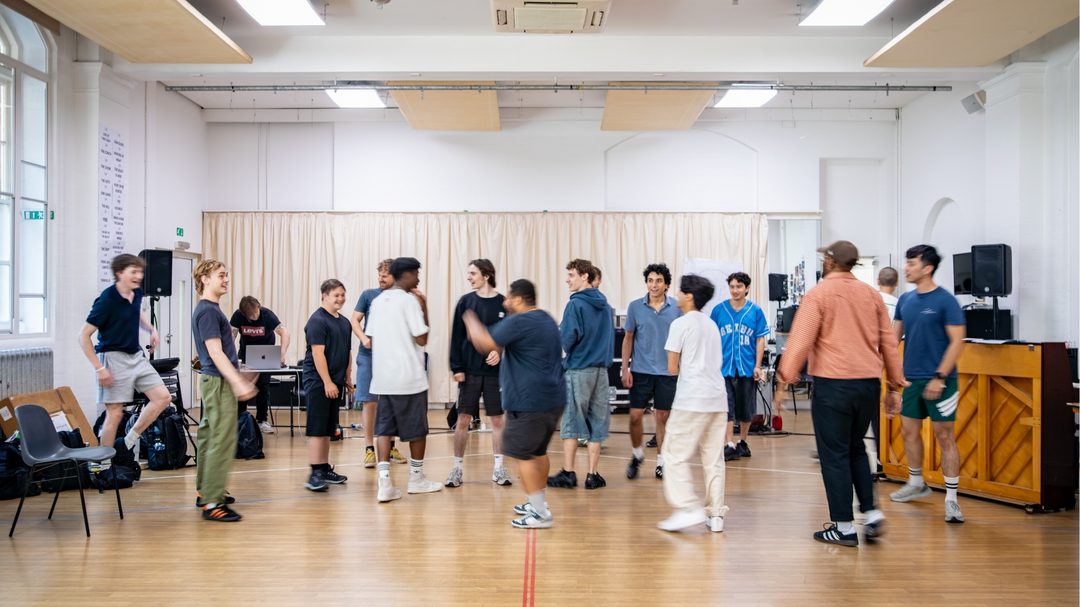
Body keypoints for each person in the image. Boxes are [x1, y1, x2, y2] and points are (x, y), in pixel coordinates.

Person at [778, 240, 905, 547]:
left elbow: (800, 341)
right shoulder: (871, 295)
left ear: (832, 262)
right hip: (867, 385)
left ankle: (844, 527)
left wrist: (785, 378)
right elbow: (889, 343)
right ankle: (871, 513)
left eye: (825, 257)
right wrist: (894, 385)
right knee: (856, 448)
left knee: (834, 454)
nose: (823, 261)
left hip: (834, 385)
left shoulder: (818, 294)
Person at [462, 279, 566, 528]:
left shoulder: (520, 321)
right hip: (552, 400)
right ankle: (537, 502)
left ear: (519, 299)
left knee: (524, 456)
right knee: (538, 452)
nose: (505, 302)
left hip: (529, 402)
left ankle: (540, 514)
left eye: (509, 298)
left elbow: (484, 342)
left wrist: (469, 318)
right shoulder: (545, 318)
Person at [889, 245, 967, 523]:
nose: (906, 268)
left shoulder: (946, 301)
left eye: (912, 263)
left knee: (945, 437)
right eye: (907, 263)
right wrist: (892, 377)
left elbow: (957, 342)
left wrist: (939, 377)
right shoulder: (905, 300)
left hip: (942, 382)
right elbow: (893, 339)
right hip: (911, 380)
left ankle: (952, 500)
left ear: (927, 268)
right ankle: (916, 483)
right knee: (909, 432)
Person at [78, 254, 173, 470]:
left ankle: (129, 440)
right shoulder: (107, 300)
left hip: (136, 356)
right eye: (134, 272)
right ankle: (103, 465)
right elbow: (83, 336)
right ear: (119, 273)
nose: (139, 276)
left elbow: (136, 313)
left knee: (163, 397)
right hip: (112, 358)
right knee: (115, 413)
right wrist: (99, 368)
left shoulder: (136, 293)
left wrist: (151, 329)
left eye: (140, 272)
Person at [367, 257, 443, 502]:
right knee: (417, 430)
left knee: (383, 430)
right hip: (409, 377)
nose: (418, 279)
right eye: (416, 274)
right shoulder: (410, 301)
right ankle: (416, 479)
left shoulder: (378, 301)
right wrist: (424, 305)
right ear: (407, 275)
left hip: (383, 378)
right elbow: (422, 339)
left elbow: (372, 339)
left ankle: (384, 484)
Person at [658, 274, 730, 533]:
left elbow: (672, 367)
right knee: (713, 459)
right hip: (717, 399)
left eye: (680, 291)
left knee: (673, 454)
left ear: (689, 296)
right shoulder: (711, 325)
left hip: (692, 399)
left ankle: (687, 507)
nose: (676, 295)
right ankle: (716, 515)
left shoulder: (680, 324)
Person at [191, 259, 257, 522]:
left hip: (213, 381)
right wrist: (237, 381)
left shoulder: (209, 309)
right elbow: (215, 352)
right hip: (218, 382)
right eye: (221, 275)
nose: (226, 279)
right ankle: (212, 503)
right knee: (222, 439)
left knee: (209, 436)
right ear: (205, 279)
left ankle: (206, 491)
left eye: (227, 275)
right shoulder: (208, 311)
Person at [548, 259, 614, 490]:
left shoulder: (575, 305)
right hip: (601, 372)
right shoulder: (606, 306)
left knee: (572, 421)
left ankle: (568, 473)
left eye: (571, 275)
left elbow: (566, 340)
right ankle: (593, 475)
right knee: (597, 423)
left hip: (579, 370)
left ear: (585, 276)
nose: (567, 279)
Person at [446, 259, 511, 488]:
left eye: (473, 273)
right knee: (463, 419)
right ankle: (457, 468)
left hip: (495, 374)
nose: (469, 277)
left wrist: (499, 352)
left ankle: (499, 468)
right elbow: (456, 337)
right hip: (470, 371)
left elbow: (509, 337)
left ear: (486, 275)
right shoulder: (465, 302)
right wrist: (457, 368)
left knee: (497, 420)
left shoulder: (503, 303)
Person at [621, 263, 680, 480]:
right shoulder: (635, 307)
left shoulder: (677, 308)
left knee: (662, 418)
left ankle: (661, 462)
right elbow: (628, 338)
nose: (654, 285)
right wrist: (625, 367)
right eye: (650, 281)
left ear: (666, 285)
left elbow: (683, 340)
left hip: (668, 372)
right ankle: (637, 454)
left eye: (659, 281)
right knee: (635, 416)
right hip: (641, 371)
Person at [350, 259, 406, 468]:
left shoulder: (402, 297)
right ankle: (369, 449)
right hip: (368, 355)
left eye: (385, 275)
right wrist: (364, 338)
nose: (381, 278)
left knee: (390, 401)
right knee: (369, 401)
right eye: (379, 275)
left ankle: (389, 447)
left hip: (391, 357)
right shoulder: (368, 295)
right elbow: (354, 320)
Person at [709, 272, 770, 461]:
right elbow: (711, 339)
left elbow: (760, 339)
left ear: (747, 288)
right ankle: (729, 444)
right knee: (726, 406)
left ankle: (742, 442)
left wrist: (758, 366)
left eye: (739, 286)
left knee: (745, 408)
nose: (735, 290)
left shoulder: (755, 311)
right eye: (732, 287)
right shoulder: (719, 311)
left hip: (747, 367)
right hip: (724, 367)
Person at [301, 279, 354, 492]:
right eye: (336, 295)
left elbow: (347, 352)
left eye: (343, 295)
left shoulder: (345, 322)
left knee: (328, 428)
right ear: (324, 296)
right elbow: (317, 353)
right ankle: (314, 473)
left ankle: (323, 468)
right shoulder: (317, 320)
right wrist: (327, 382)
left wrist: (347, 377)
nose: (340, 299)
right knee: (317, 428)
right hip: (318, 381)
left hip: (336, 381)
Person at [230, 295, 290, 434]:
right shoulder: (238, 316)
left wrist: (282, 354)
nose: (255, 316)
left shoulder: (267, 315)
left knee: (263, 387)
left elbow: (285, 332)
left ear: (259, 307)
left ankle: (262, 421)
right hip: (245, 355)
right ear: (244, 314)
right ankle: (241, 419)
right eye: (251, 315)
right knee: (242, 387)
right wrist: (230, 356)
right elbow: (231, 336)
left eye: (256, 312)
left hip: (266, 355)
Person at [871, 266, 900, 477]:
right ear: (896, 283)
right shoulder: (900, 305)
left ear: (877, 281)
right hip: (889, 364)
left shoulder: (869, 300)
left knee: (870, 414)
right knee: (886, 416)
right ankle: (886, 459)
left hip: (867, 364)